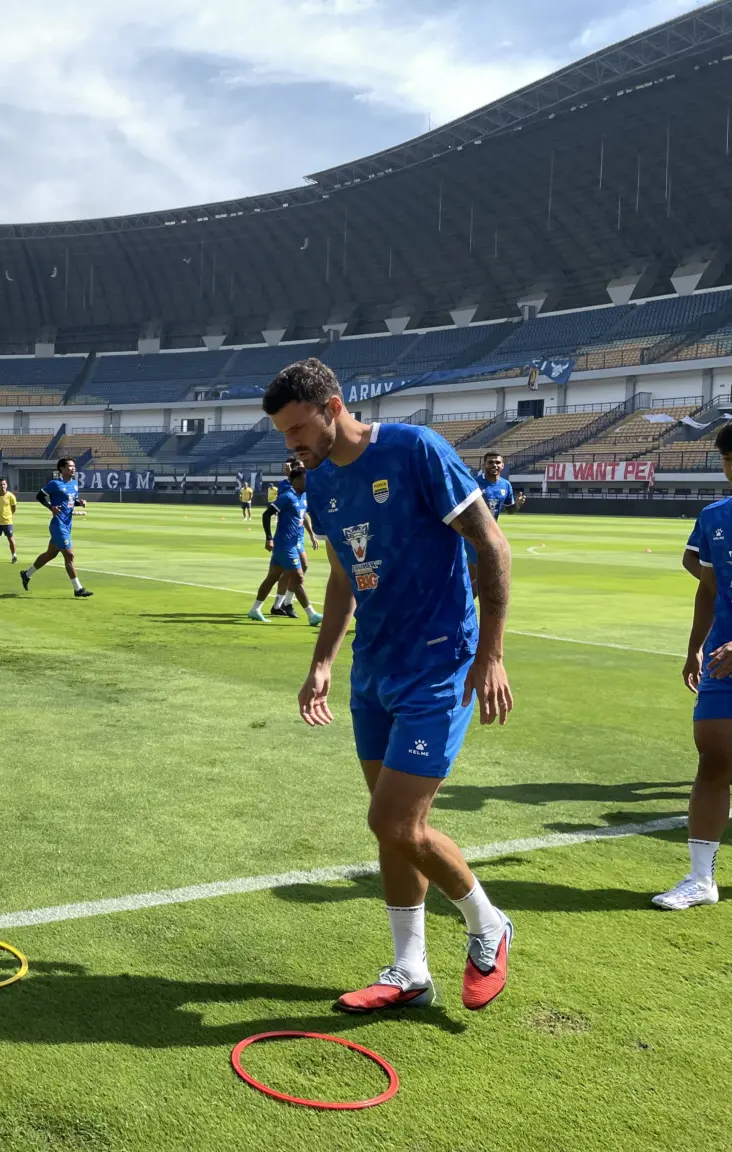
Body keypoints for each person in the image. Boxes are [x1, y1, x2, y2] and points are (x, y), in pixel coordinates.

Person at [264, 358, 515, 1014]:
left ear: (333, 406)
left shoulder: (415, 450)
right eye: (284, 436)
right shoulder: (318, 484)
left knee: (392, 818)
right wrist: (322, 661)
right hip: (372, 670)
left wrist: (490, 656)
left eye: (298, 429)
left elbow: (491, 545)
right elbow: (345, 577)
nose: (293, 445)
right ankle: (410, 971)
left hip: (438, 664)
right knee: (395, 831)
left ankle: (489, 925)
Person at [656, 424, 732, 910]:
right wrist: (695, 647)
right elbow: (708, 588)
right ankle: (701, 879)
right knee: (714, 757)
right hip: (722, 659)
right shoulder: (714, 517)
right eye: (728, 459)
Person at [252, 462, 322, 624]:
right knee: (298, 578)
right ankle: (311, 615)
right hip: (285, 544)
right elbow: (266, 514)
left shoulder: (302, 496)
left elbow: (303, 515)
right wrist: (269, 537)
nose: (308, 482)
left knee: (272, 578)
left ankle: (255, 609)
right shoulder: (287, 497)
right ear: (296, 480)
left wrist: (311, 534)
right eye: (306, 479)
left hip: (293, 543)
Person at [20, 458, 92, 597]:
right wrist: (50, 507)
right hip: (58, 524)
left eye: (74, 466)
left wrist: (79, 502)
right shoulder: (55, 483)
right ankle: (78, 589)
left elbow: (70, 501)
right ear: (62, 469)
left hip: (67, 524)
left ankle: (27, 574)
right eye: (70, 466)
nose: (73, 469)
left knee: (50, 554)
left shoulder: (75, 484)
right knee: (69, 555)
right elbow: (39, 496)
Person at [469, 452, 523, 590]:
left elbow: (510, 510)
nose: (495, 465)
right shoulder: (474, 483)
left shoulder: (505, 485)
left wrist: (517, 504)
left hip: (490, 535)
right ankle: (462, 607)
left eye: (498, 463)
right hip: (471, 535)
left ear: (503, 465)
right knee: (476, 575)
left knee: (483, 577)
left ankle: (464, 607)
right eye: (491, 462)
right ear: (484, 465)